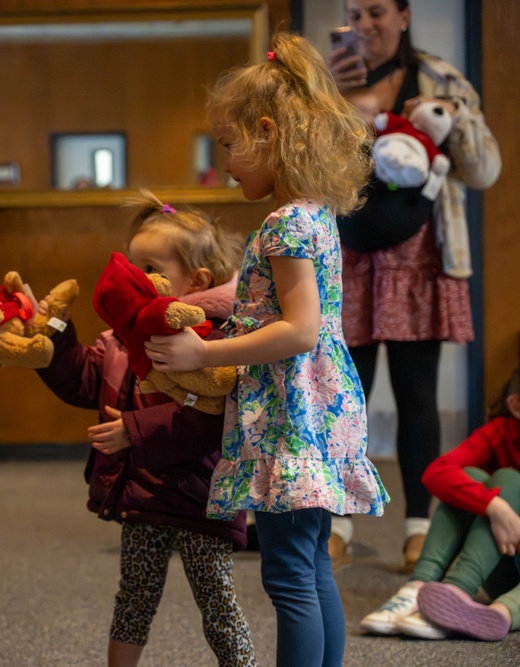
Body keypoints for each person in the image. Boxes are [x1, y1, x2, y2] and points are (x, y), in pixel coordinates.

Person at [143, 33, 390, 667]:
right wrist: (210, 305)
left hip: (293, 415)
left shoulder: (283, 224)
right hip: (321, 407)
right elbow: (268, 295)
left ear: (267, 132)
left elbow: (300, 328)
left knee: (286, 576)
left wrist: (202, 356)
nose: (225, 161)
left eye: (229, 145)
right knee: (311, 568)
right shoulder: (311, 215)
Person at [35, 192, 257, 667]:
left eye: (151, 267)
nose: (135, 279)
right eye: (132, 266)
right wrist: (56, 333)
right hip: (142, 495)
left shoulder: (209, 339)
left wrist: (133, 431)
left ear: (195, 280)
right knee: (133, 597)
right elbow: (84, 380)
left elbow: (210, 419)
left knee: (218, 605)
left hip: (202, 499)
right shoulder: (120, 337)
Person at [327, 0, 501, 572]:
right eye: (355, 13)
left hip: (420, 257)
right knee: (341, 396)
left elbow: (484, 172)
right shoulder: (327, 79)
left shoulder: (442, 78)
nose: (365, 24)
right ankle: (337, 524)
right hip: (348, 254)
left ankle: (420, 527)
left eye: (377, 11)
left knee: (416, 399)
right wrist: (325, 95)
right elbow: (300, 162)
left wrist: (452, 115)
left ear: (404, 16)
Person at [360, 366, 520, 641]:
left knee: (508, 479)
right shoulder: (501, 432)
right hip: (502, 566)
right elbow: (437, 472)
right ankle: (422, 590)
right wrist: (496, 508)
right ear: (516, 405)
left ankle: (494, 613)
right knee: (472, 479)